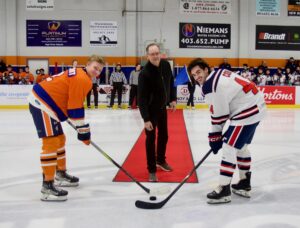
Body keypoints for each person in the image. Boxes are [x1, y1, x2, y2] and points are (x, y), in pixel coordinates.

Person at [187, 58, 266, 204]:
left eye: (198, 72)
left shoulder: (210, 85)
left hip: (247, 111)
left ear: (206, 69)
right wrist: (215, 136)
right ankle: (244, 184)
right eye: (193, 75)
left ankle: (224, 189)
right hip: (256, 107)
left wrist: (214, 137)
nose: (197, 77)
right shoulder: (219, 72)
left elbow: (219, 115)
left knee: (229, 147)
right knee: (241, 147)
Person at [27, 55, 105, 201]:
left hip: (49, 104)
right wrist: (84, 133)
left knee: (60, 139)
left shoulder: (81, 75)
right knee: (50, 142)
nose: (97, 72)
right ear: (87, 64)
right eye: (95, 67)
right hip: (42, 103)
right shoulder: (82, 79)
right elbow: (75, 108)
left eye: (99, 70)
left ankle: (60, 174)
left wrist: (82, 131)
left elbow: (71, 104)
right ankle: (47, 186)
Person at [138, 43, 177, 182]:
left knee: (164, 135)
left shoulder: (166, 65)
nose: (155, 56)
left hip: (162, 108)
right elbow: (141, 98)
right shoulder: (144, 73)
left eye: (157, 53)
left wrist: (172, 98)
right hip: (150, 111)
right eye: (152, 54)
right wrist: (146, 118)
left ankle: (160, 160)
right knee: (150, 139)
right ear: (147, 56)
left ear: (160, 53)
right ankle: (152, 169)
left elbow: (171, 82)